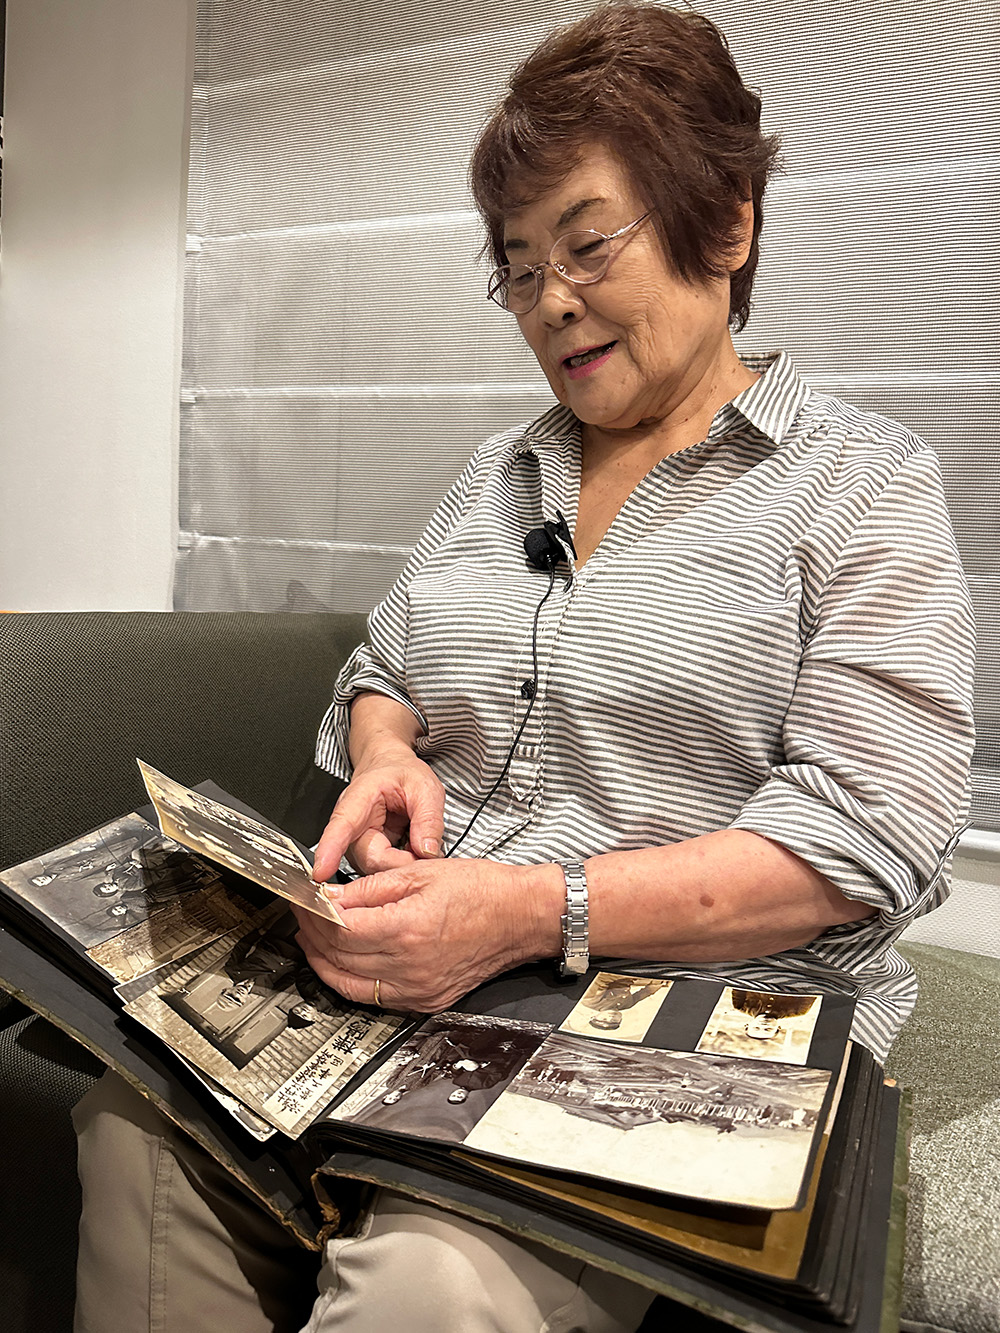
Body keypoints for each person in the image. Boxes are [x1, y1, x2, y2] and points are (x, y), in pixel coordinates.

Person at [72, 5, 975, 1332]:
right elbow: (384, 662)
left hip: (660, 1031)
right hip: (419, 1004)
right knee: (136, 1123)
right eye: (516, 264)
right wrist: (385, 755)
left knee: (429, 1279)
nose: (550, 298)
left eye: (588, 242)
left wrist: (524, 909)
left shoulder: (862, 484)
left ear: (723, 223)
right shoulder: (502, 477)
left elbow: (869, 830)